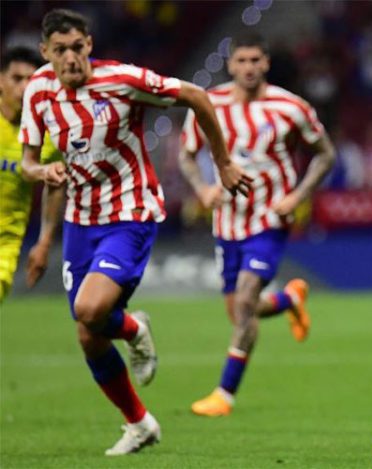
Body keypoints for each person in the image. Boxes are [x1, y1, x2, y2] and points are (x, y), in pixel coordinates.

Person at [20, 9, 250, 455]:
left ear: (89, 44)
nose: (70, 58)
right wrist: (40, 170)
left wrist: (222, 162)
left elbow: (197, 96)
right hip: (80, 220)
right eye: (60, 50)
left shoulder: (123, 80)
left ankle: (132, 329)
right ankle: (139, 422)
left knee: (89, 309)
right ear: (46, 53)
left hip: (130, 211)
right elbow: (29, 160)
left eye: (78, 47)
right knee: (88, 333)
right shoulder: (38, 91)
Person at [179, 32, 335, 417]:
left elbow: (325, 155)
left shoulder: (291, 107)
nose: (248, 68)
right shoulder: (208, 103)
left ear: (266, 63)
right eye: (241, 61)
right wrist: (201, 188)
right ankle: (290, 299)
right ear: (230, 64)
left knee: (246, 300)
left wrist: (297, 197)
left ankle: (224, 395)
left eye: (255, 61)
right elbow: (186, 154)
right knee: (240, 312)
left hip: (270, 217)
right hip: (227, 221)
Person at [0, 46, 62, 302]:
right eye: (17, 79)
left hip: (5, 247)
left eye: (31, 80)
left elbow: (55, 185)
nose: (25, 88)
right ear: (1, 80)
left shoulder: (47, 138)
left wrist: (45, 241)